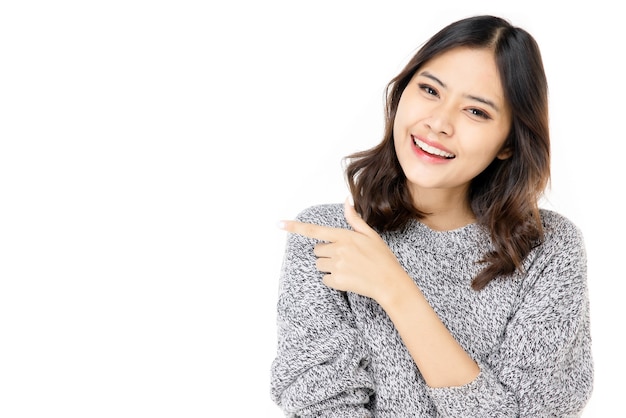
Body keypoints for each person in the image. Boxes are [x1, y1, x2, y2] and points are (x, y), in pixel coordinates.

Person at [269, 15, 593, 417]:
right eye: (429, 90)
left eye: (476, 112)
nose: (438, 123)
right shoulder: (330, 238)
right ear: (402, 92)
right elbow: (323, 407)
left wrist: (396, 291)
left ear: (508, 143)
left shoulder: (548, 250)